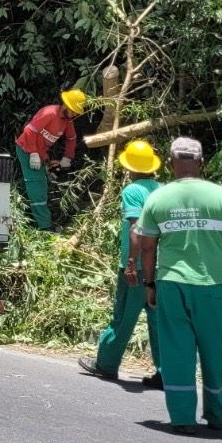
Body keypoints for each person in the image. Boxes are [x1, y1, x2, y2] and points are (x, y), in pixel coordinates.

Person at [136, 136, 222, 434]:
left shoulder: (158, 199)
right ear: (201, 162)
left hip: (172, 284)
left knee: (177, 350)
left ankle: (182, 418)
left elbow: (148, 247)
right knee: (217, 350)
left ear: (170, 163)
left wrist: (150, 284)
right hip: (213, 285)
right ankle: (218, 415)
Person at [79, 139, 164, 388]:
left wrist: (130, 262)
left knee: (123, 316)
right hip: (162, 266)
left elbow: (137, 227)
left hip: (137, 267)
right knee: (159, 320)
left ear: (131, 167)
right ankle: (166, 372)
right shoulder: (163, 189)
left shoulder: (132, 191)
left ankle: (106, 364)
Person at [14, 89, 85, 230]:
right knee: (37, 185)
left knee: (42, 183)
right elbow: (29, 130)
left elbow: (72, 138)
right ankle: (44, 227)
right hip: (26, 149)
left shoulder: (67, 121)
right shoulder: (49, 113)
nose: (75, 114)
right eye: (73, 110)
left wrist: (67, 157)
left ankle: (27, 219)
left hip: (40, 154)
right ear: (66, 105)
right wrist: (33, 153)